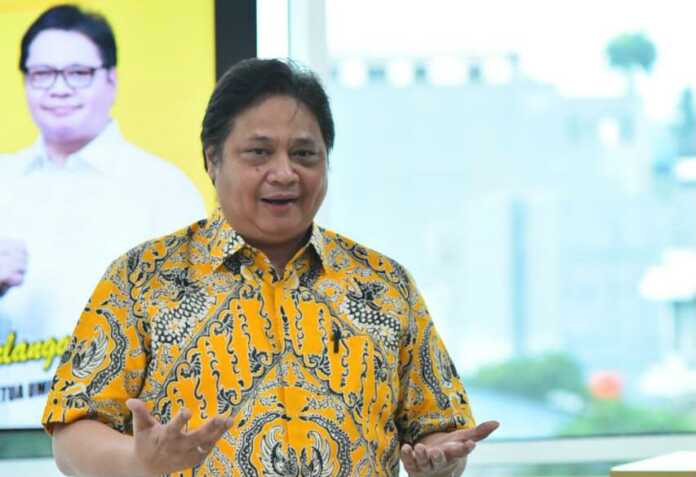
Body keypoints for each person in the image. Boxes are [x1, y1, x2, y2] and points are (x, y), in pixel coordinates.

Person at [42, 58, 498, 477]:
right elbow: (73, 428)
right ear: (212, 159)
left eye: (304, 154)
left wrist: (440, 461)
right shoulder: (142, 278)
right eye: (259, 153)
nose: (284, 173)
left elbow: (437, 429)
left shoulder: (384, 284)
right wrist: (137, 461)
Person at [0, 4, 205, 425]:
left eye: (78, 73)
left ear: (111, 79)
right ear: (25, 81)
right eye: (42, 74)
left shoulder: (163, 189)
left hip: (116, 438)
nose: (59, 89)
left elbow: (193, 331)